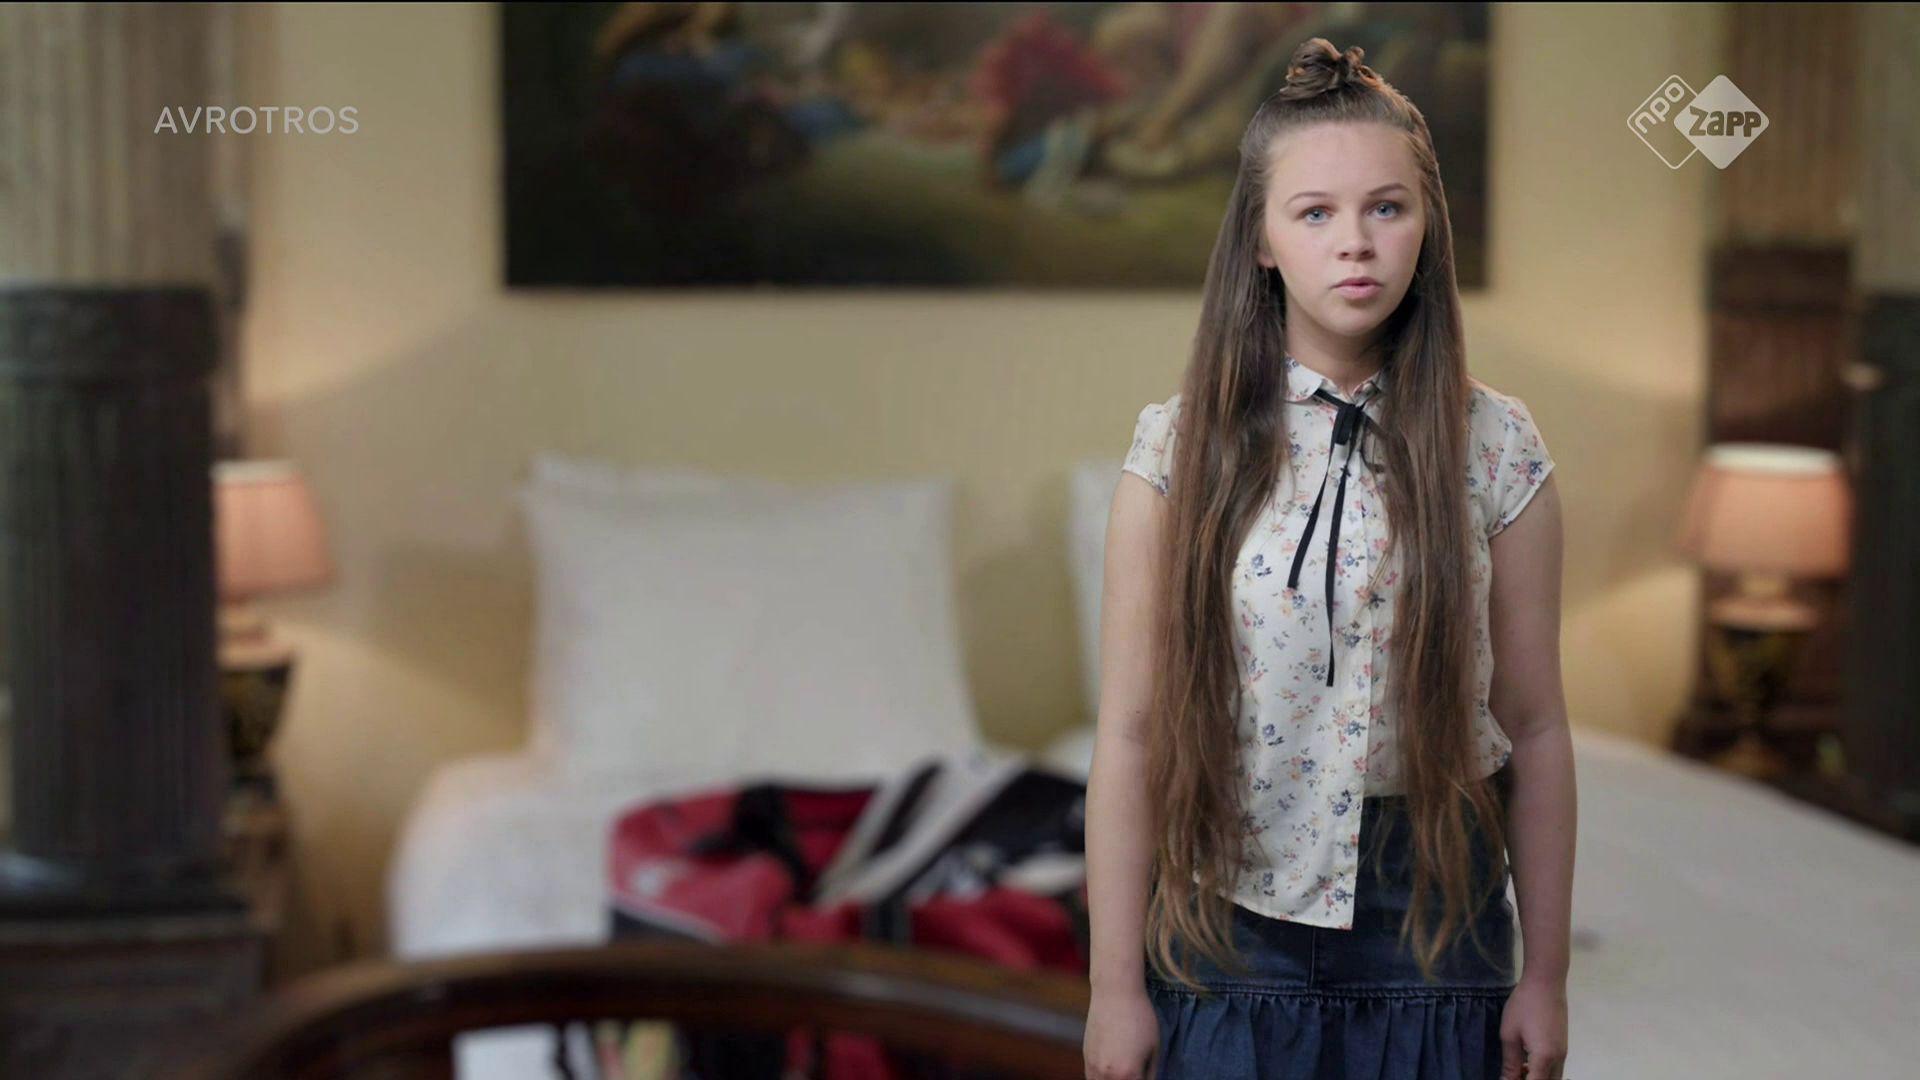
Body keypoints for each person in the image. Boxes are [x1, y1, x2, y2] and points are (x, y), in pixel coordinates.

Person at [1081, 39, 1575, 1080]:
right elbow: (1130, 733)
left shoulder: (1498, 444)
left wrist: (1547, 974)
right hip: (1225, 925)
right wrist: (1113, 990)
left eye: (1386, 208)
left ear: (1426, 226)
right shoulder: (1178, 450)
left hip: (1439, 928)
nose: (1355, 242)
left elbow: (1534, 727)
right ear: (1262, 240)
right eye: (1314, 213)